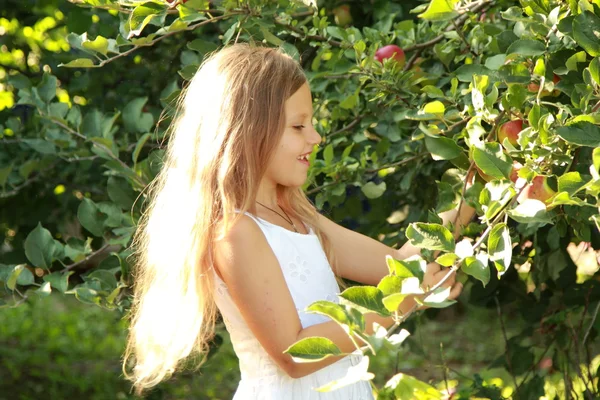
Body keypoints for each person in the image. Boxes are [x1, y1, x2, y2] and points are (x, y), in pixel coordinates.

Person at [122, 43, 476, 399]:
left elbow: (399, 266)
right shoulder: (235, 233)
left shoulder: (298, 219)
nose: (315, 137)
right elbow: (295, 353)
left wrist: (480, 189)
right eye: (298, 125)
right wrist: (402, 302)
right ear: (248, 131)